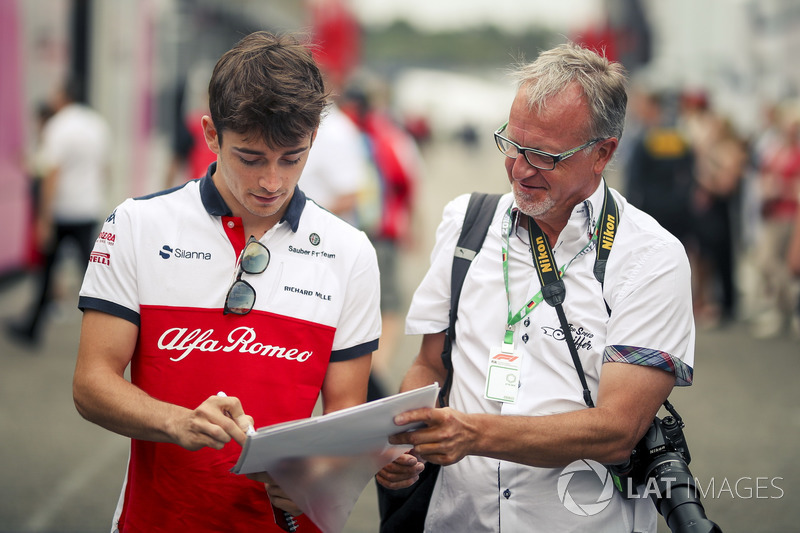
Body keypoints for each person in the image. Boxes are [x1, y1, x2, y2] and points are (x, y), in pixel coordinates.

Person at [377, 42, 695, 532]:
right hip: (456, 520)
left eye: (544, 155)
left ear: (602, 153)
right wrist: (404, 443)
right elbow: (427, 364)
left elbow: (617, 431)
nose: (520, 169)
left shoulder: (650, 257)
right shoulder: (467, 223)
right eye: (513, 144)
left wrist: (474, 433)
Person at [72, 31, 381, 532]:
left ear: (313, 141)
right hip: (158, 520)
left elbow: (346, 407)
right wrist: (176, 421)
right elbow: (91, 383)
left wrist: (322, 471)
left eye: (292, 157)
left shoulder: (350, 252)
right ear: (211, 134)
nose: (272, 182)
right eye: (251, 158)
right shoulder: (136, 225)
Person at [6, 77, 110, 346]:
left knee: (48, 270)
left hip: (63, 210)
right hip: (87, 207)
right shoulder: (97, 124)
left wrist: (43, 218)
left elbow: (52, 174)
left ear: (64, 96)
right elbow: (104, 168)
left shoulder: (58, 126)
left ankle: (32, 328)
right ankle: (109, 324)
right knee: (92, 272)